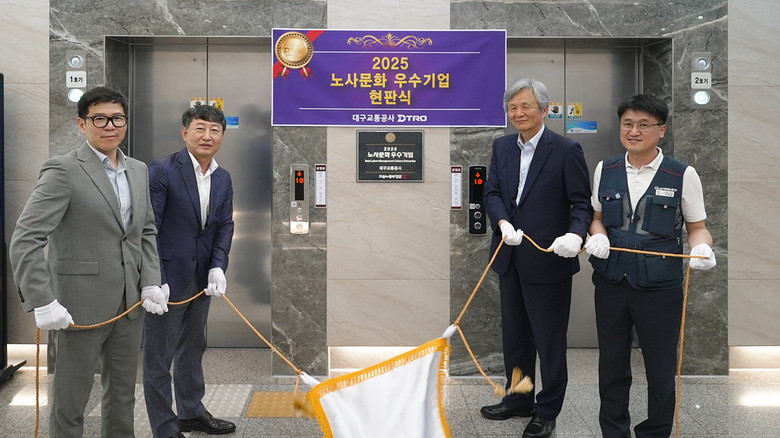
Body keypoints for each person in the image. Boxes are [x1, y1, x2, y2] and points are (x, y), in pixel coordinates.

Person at [9, 86, 167, 437]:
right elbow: (26, 238)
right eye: (99, 118)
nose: (110, 126)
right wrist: (42, 299)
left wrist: (150, 281)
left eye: (117, 118)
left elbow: (146, 231)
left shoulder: (138, 170)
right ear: (82, 124)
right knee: (70, 401)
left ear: (126, 122)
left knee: (122, 397)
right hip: (77, 306)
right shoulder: (63, 170)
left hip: (130, 303)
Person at [584, 94, 716, 438]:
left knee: (660, 367)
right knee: (612, 364)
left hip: (660, 286)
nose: (634, 131)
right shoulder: (605, 169)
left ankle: (655, 432)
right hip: (612, 280)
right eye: (628, 124)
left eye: (644, 125)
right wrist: (597, 235)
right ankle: (614, 431)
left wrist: (702, 247)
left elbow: (697, 227)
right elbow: (596, 217)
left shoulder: (682, 174)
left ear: (662, 130)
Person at [482, 78, 593, 438]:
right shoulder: (502, 147)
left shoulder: (566, 149)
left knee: (548, 340)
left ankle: (547, 410)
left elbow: (581, 203)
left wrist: (575, 235)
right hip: (509, 256)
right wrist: (502, 223)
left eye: (525, 106)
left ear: (544, 110)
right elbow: (492, 192)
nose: (518, 113)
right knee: (515, 337)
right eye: (512, 107)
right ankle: (519, 398)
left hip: (548, 260)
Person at [143, 104, 236, 438]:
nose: (207, 136)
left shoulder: (223, 177)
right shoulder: (162, 170)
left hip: (201, 280)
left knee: (193, 348)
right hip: (166, 283)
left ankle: (191, 412)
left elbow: (225, 225)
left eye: (214, 130)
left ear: (222, 136)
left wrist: (217, 266)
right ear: (185, 133)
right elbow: (148, 228)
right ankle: (165, 428)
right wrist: (155, 279)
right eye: (200, 128)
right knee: (158, 359)